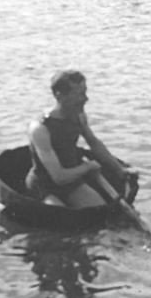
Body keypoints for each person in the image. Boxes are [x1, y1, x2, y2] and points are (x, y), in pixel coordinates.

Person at [27, 70, 139, 208]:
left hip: (72, 180)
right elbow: (58, 177)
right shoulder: (40, 129)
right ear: (60, 95)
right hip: (45, 185)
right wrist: (88, 167)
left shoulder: (78, 116)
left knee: (98, 212)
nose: (85, 99)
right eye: (79, 94)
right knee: (62, 216)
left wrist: (119, 170)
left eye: (85, 92)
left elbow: (94, 144)